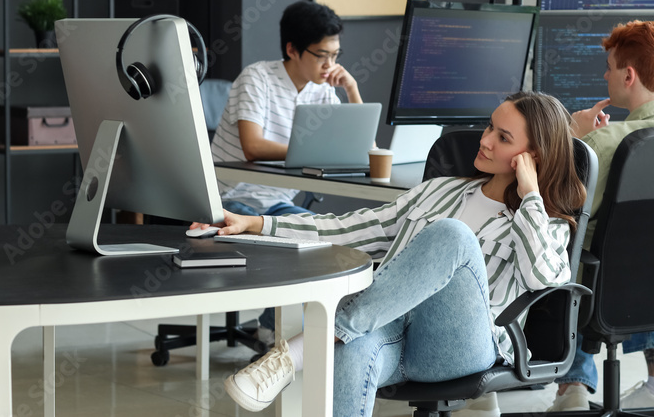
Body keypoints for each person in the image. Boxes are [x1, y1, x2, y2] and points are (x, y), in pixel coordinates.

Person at [199, 91, 587, 417]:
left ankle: (302, 349)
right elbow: (349, 229)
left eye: (503, 138)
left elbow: (545, 279)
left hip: (459, 348)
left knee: (451, 233)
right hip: (390, 335)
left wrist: (531, 195)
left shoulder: (547, 220)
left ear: (531, 157)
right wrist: (260, 224)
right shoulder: (439, 191)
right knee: (352, 350)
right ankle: (331, 339)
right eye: (489, 127)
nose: (485, 140)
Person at [550, 20, 654, 412]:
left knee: (569, 246)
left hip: (603, 288)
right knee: (640, 251)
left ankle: (571, 387)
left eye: (610, 67)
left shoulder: (607, 141)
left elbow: (556, 211)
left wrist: (574, 139)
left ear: (628, 75)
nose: (605, 74)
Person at [209, 0, 363, 340]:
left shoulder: (323, 90)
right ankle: (276, 325)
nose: (330, 65)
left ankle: (274, 323)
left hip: (275, 202)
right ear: (293, 49)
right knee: (288, 240)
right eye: (322, 55)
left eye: (335, 56)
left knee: (325, 239)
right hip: (229, 199)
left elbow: (355, 145)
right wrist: (311, 152)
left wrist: (350, 88)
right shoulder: (257, 78)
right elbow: (254, 146)